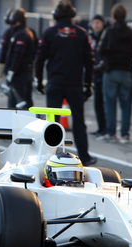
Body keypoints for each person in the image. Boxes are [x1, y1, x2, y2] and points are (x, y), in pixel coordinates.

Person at [35, 0, 97, 166]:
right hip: (74, 84)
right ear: (72, 14)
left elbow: (40, 59)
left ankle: (49, 155)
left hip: (55, 82)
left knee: (52, 121)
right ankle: (84, 156)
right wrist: (88, 84)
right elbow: (90, 61)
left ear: (55, 15)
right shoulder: (81, 33)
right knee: (78, 121)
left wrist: (39, 80)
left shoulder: (50, 32)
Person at [97, 3, 132, 144]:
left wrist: (107, 61)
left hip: (111, 71)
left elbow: (101, 50)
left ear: (113, 16)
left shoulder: (110, 31)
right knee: (126, 104)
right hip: (126, 71)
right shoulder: (131, 33)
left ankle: (111, 132)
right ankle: (125, 134)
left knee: (110, 103)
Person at [0, 8, 37, 109]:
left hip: (21, 74)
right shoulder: (11, 32)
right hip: (19, 72)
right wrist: (0, 66)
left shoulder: (24, 33)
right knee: (17, 101)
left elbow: (18, 55)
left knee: (20, 103)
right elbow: (4, 50)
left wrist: (11, 71)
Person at [89, 14, 106, 137]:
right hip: (95, 74)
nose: (96, 25)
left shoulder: (105, 37)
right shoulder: (91, 37)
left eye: (98, 22)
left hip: (104, 73)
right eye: (94, 22)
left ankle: (105, 128)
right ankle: (101, 128)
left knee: (104, 103)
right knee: (97, 103)